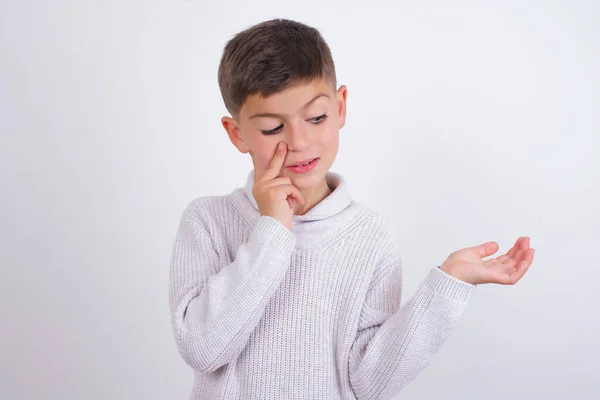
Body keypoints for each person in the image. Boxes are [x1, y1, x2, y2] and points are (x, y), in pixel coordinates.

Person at [168, 18, 535, 400]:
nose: (299, 141)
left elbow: (369, 381)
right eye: (273, 128)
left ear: (340, 107)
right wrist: (272, 231)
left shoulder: (371, 237)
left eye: (316, 118)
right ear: (237, 133)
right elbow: (202, 349)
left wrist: (448, 284)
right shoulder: (208, 221)